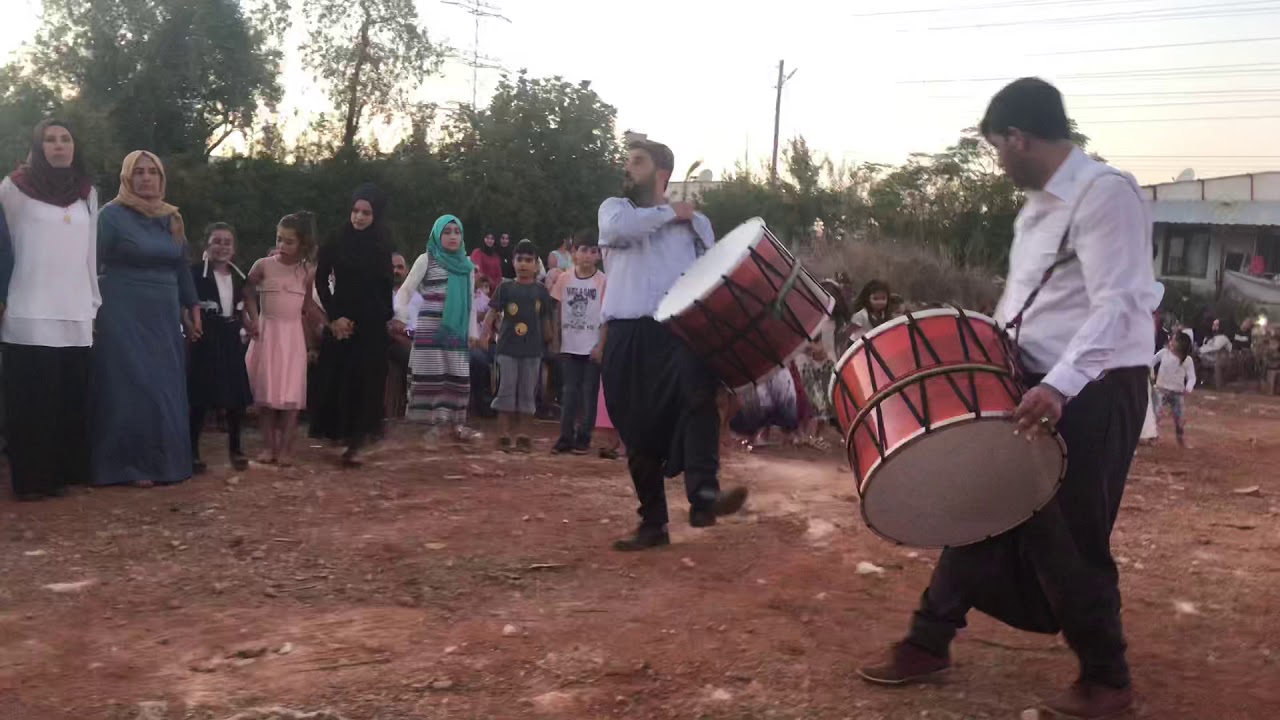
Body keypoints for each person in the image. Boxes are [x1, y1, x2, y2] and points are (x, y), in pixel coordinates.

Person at [859, 78, 1160, 720]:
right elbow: (1026, 305)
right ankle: (928, 641)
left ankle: (1108, 680)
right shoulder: (1035, 208)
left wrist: (1059, 385)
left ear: (1019, 138)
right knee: (981, 508)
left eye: (999, 146)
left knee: (1072, 536)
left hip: (1093, 389)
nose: (998, 159)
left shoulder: (1105, 194)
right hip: (1031, 380)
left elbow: (1120, 303)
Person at [598, 138, 749, 551]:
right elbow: (618, 232)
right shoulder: (615, 209)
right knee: (635, 428)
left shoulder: (698, 224)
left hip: (678, 329)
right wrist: (669, 214)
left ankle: (704, 496)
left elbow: (712, 274)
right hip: (627, 332)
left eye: (638, 161)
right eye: (628, 161)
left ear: (661, 171)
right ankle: (653, 524)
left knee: (698, 396)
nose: (628, 168)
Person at [0, 118, 98, 499]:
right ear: (38, 147)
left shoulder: (87, 192)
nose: (59, 146)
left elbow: (91, 253)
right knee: (30, 400)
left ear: (75, 147)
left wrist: (93, 303)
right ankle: (31, 481)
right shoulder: (14, 188)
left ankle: (61, 475)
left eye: (66, 139)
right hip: (26, 308)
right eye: (50, 140)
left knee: (68, 398)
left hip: (74, 309)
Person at [92, 150, 202, 488]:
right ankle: (128, 466)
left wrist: (192, 307)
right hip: (123, 310)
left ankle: (165, 463)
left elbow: (181, 266)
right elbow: (92, 263)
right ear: (127, 177)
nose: (145, 178)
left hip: (165, 314)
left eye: (152, 171)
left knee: (165, 387)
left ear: (161, 177)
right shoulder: (110, 216)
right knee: (133, 386)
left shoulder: (171, 217)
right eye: (138, 172)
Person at [310, 184, 394, 466]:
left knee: (365, 380)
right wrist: (334, 317)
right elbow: (321, 280)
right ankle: (340, 435)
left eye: (366, 213)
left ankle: (358, 440)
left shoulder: (382, 242)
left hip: (370, 322)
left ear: (375, 215)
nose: (359, 217)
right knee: (339, 377)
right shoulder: (336, 239)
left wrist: (378, 319)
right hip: (341, 318)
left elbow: (384, 286)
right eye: (355, 211)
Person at [393, 214, 483, 448]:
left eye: (457, 232)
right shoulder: (427, 259)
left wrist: (473, 332)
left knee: (457, 378)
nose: (453, 236)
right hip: (430, 331)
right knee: (432, 378)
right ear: (436, 234)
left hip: (456, 332)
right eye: (447, 232)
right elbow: (404, 292)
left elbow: (470, 303)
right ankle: (431, 427)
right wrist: (401, 316)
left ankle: (455, 425)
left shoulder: (467, 267)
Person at [245, 212, 318, 466]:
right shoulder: (262, 265)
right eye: (279, 239)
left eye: (289, 241)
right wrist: (254, 318)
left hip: (292, 338)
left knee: (290, 397)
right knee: (265, 395)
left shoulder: (307, 272)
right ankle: (268, 447)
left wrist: (315, 339)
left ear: (303, 243)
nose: (282, 246)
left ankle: (286, 449)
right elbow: (246, 291)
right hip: (267, 335)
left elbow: (307, 308)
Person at [188, 223, 253, 474]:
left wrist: (251, 323)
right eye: (217, 241)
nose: (222, 246)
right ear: (207, 245)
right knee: (200, 396)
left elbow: (244, 304)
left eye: (227, 242)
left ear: (234, 248)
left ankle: (236, 449)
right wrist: (189, 325)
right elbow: (185, 303)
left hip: (231, 337)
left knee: (237, 396)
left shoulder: (239, 276)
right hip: (205, 337)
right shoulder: (195, 273)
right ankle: (192, 452)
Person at [481, 239, 552, 452]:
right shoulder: (505, 287)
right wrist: (485, 333)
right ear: (513, 262)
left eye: (528, 260)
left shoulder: (541, 291)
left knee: (527, 393)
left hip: (532, 351)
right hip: (507, 349)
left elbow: (546, 320)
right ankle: (503, 435)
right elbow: (491, 313)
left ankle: (523, 435)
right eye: (519, 259)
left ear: (536, 264)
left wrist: (551, 343)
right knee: (506, 390)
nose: (523, 264)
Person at [550, 230, 608, 454]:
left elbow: (606, 317)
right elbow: (557, 310)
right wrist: (556, 338)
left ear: (599, 256)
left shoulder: (603, 281)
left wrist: (601, 346)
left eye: (593, 251)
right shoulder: (565, 278)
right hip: (570, 345)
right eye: (583, 250)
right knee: (569, 391)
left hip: (592, 346)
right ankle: (565, 437)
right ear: (574, 253)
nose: (588, 255)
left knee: (589, 392)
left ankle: (584, 437)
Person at [1153, 333, 1195, 447]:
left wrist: (1188, 388)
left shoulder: (1187, 360)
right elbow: (1151, 362)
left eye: (1174, 340)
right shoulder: (1163, 353)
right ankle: (1152, 436)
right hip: (1160, 389)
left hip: (1178, 392)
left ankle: (1180, 438)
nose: (1171, 342)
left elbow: (1191, 377)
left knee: (1179, 418)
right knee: (1156, 414)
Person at [469, 274, 497, 417]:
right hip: (463, 344)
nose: (474, 276)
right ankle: (484, 405)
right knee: (478, 359)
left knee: (505, 355)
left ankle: (501, 403)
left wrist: (488, 335)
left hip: (485, 343)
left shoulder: (484, 299)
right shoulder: (458, 295)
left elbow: (494, 320)